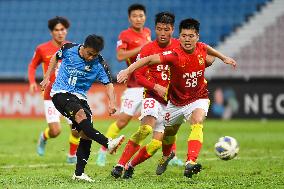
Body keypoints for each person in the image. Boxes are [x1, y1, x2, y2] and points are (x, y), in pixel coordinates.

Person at [117, 18, 236, 179]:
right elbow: (149, 60)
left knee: (197, 121)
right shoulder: (173, 55)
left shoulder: (202, 48)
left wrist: (224, 58)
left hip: (198, 97)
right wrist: (128, 70)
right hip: (175, 102)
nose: (188, 39)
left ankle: (190, 162)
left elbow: (208, 49)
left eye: (191, 36)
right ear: (179, 37)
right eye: (184, 36)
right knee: (168, 135)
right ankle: (157, 158)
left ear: (197, 37)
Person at [40, 34, 125, 182]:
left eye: (95, 55)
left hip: (80, 98)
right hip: (60, 93)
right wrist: (47, 76)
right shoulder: (68, 49)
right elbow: (55, 56)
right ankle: (108, 143)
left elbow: (109, 84)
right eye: (89, 53)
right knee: (80, 115)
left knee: (86, 133)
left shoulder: (99, 63)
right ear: (83, 47)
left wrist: (112, 102)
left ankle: (79, 174)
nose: (91, 57)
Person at [96, 3, 151, 167]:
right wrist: (141, 47)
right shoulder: (125, 35)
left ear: (145, 17)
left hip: (149, 84)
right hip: (134, 86)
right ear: (129, 18)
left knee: (159, 119)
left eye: (141, 15)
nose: (138, 19)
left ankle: (170, 154)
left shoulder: (148, 32)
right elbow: (120, 56)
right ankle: (103, 150)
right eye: (135, 16)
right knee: (122, 121)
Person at [28, 16, 79, 163]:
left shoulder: (73, 48)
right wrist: (32, 82)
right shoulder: (42, 49)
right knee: (55, 131)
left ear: (66, 30)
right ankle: (44, 137)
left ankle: (71, 155)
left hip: (69, 94)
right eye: (56, 30)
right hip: (50, 95)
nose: (60, 33)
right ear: (51, 32)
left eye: (62, 29)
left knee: (76, 128)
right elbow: (32, 66)